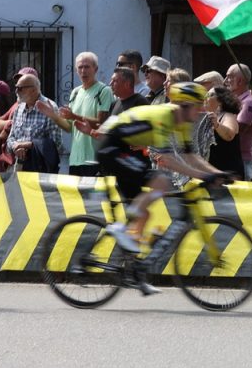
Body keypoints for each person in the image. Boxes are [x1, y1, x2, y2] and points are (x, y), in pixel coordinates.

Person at [93, 83, 231, 286]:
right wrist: (203, 176)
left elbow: (191, 157)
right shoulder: (165, 116)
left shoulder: (182, 122)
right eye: (198, 105)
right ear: (185, 105)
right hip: (112, 148)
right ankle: (120, 230)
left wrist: (217, 173)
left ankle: (134, 270)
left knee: (144, 214)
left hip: (125, 150)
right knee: (161, 182)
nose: (201, 109)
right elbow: (167, 160)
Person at [61, 52, 114, 175]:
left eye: (87, 67)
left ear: (96, 69)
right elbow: (69, 127)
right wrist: (52, 115)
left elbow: (101, 123)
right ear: (76, 70)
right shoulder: (75, 92)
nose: (83, 71)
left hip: (94, 160)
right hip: (75, 160)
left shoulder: (104, 90)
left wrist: (73, 116)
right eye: (80, 67)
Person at [6, 73, 68, 174]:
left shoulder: (50, 108)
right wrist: (15, 146)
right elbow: (10, 138)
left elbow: (56, 144)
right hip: (19, 167)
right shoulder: (19, 109)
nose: (16, 91)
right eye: (16, 87)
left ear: (33, 90)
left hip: (41, 169)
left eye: (20, 88)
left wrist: (28, 145)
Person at [226, 64, 252, 180]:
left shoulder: (248, 102)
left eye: (229, 77)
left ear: (240, 80)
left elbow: (239, 128)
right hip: (232, 158)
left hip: (241, 160)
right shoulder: (235, 100)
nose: (225, 81)